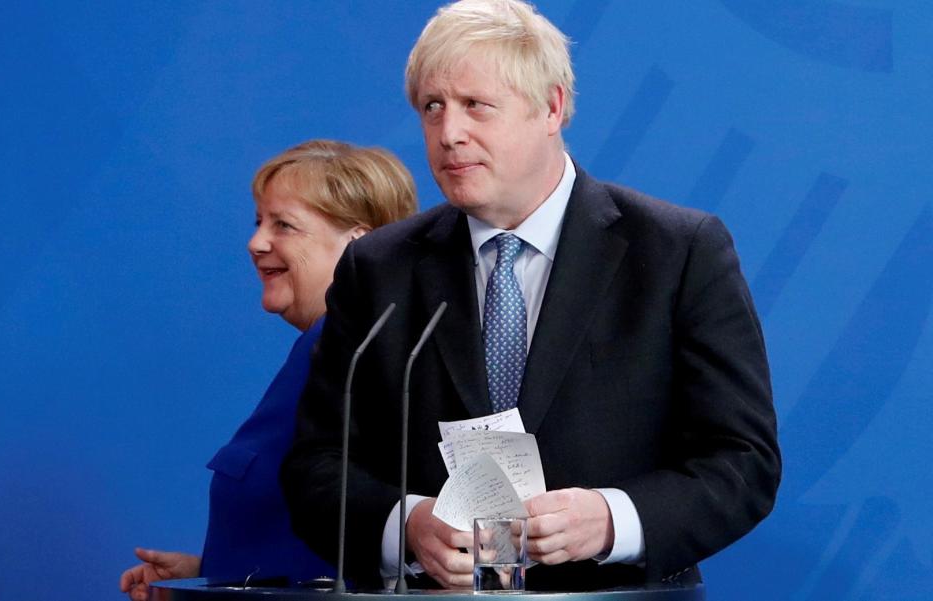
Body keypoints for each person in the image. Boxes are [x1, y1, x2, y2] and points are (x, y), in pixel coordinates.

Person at [282, 0, 781, 592]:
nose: (449, 133)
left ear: (551, 108)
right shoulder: (380, 267)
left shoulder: (676, 251)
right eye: (432, 108)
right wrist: (407, 526)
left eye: (476, 106)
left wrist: (613, 519)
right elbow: (316, 466)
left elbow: (743, 461)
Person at [119, 140, 418, 600]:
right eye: (260, 222)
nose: (256, 243)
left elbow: (365, 533)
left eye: (284, 225)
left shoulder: (360, 360)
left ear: (361, 245)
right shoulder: (314, 352)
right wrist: (209, 574)